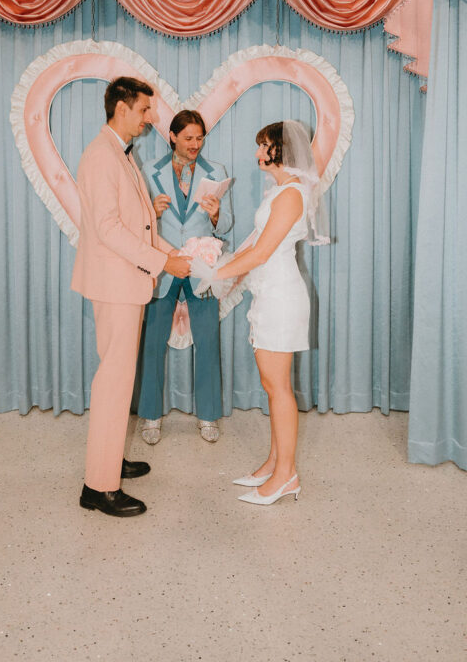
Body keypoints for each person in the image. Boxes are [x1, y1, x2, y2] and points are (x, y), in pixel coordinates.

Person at [71, 77, 191, 518]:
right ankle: (98, 487)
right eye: (144, 110)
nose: (149, 118)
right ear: (121, 108)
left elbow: (138, 225)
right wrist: (163, 264)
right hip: (116, 284)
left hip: (125, 282)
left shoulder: (117, 152)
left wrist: (171, 253)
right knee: (114, 380)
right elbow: (109, 230)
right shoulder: (102, 155)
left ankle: (110, 458)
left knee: (120, 378)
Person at [192, 120, 328, 507]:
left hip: (281, 297)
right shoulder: (280, 190)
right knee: (272, 386)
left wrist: (215, 274)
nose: (256, 152)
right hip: (268, 294)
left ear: (278, 150)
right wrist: (220, 269)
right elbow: (252, 245)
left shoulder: (291, 194)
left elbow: (262, 253)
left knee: (279, 388)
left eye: (262, 145)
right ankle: (273, 463)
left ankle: (287, 476)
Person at [138, 110, 233, 444]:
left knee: (208, 343)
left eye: (200, 138)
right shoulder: (148, 170)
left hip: (201, 268)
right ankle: (150, 416)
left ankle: (207, 416)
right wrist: (152, 210)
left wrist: (217, 213)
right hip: (163, 265)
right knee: (151, 345)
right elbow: (137, 224)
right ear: (173, 136)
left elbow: (227, 225)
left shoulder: (217, 172)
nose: (196, 144)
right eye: (189, 138)